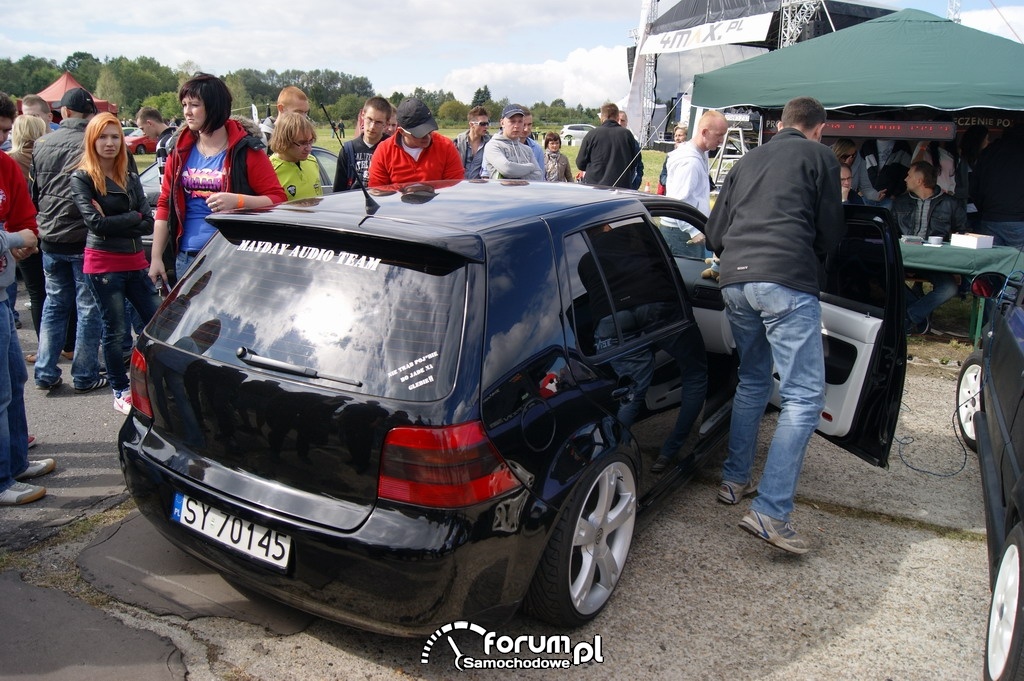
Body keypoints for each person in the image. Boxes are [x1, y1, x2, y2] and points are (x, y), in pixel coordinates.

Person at [704, 96, 844, 555]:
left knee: (753, 379)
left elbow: (714, 234)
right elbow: (830, 232)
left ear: (780, 123)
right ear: (818, 129)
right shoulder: (820, 156)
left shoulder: (747, 159)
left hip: (733, 283)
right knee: (805, 397)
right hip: (786, 280)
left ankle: (733, 480)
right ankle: (771, 511)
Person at [148, 73, 287, 290]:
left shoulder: (247, 150)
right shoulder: (179, 150)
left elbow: (278, 199)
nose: (187, 111)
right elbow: (165, 203)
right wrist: (156, 257)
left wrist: (239, 201)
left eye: (194, 104)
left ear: (214, 107)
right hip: (187, 257)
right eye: (184, 104)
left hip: (231, 257)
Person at [69, 113, 160, 414]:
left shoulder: (130, 176)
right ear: (92, 140)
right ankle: (120, 389)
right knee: (116, 331)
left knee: (156, 324)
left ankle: (154, 381)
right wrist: (131, 217)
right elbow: (95, 224)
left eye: (115, 136)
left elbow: (147, 222)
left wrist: (122, 219)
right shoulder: (82, 177)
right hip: (104, 266)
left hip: (135, 262)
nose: (109, 143)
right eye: (103, 137)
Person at [30, 87, 109, 394]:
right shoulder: (92, 143)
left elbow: (36, 192)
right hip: (82, 237)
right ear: (89, 114)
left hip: (50, 235)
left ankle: (45, 370)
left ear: (63, 113)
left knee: (55, 304)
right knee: (87, 306)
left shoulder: (42, 143)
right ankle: (85, 373)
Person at [0, 111, 51, 505]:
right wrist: (14, 236)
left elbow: (26, 220)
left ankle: (15, 462)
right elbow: (18, 232)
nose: (3, 140)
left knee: (14, 381)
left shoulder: (4, 166)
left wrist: (22, 235)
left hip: (3, 293)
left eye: (5, 131)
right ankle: (3, 478)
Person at [892, 161, 966, 334]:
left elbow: (962, 233)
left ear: (920, 180)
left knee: (949, 288)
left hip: (935, 261)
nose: (905, 178)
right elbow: (892, 232)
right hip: (905, 258)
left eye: (909, 175)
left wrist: (957, 267)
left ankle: (910, 317)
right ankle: (919, 312)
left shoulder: (950, 203)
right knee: (882, 275)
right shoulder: (901, 202)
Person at [6, 115, 47, 335]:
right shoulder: (47, 156)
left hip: (21, 231)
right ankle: (66, 346)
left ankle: (45, 347)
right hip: (48, 228)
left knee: (36, 291)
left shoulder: (9, 161)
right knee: (58, 292)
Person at [367, 97, 463, 187]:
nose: (427, 136)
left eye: (429, 130)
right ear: (402, 131)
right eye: (419, 133)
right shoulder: (384, 151)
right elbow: (378, 192)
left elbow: (454, 190)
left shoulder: (446, 147)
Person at [972, 126, 1024, 250]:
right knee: (1020, 265)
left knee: (993, 263)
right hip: (1019, 220)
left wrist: (984, 209)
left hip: (990, 218)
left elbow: (974, 185)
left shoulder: (989, 151)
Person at [576, 102, 643, 189]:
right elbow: (634, 163)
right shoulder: (627, 135)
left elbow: (580, 163)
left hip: (594, 187)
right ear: (617, 117)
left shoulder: (592, 134)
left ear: (602, 117)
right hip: (620, 188)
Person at [333, 97, 392, 191]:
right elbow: (338, 191)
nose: (372, 127)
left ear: (387, 123)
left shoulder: (392, 149)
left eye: (378, 122)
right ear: (362, 116)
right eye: (369, 119)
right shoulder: (347, 150)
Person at [482, 104, 543, 181]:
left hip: (525, 192)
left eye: (520, 121)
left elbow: (538, 176)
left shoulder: (527, 150)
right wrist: (531, 167)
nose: (516, 126)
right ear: (502, 123)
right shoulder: (493, 146)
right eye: (512, 121)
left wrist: (513, 176)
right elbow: (507, 169)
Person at [269, 112, 322, 200]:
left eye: (311, 141)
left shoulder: (312, 161)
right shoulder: (270, 170)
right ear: (285, 141)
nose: (309, 148)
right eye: (302, 143)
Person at [855, 137, 911, 208]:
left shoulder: (902, 145)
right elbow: (859, 168)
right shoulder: (867, 145)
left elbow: (906, 172)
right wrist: (859, 191)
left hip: (889, 199)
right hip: (866, 197)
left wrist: (895, 194)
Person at [134, 106, 175, 178]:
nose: (143, 133)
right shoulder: (178, 136)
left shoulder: (162, 145)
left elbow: (164, 178)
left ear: (149, 123)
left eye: (142, 128)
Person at [453, 106, 491, 179]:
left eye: (487, 123)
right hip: (460, 186)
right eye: (482, 124)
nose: (486, 127)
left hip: (480, 187)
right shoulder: (457, 143)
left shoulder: (490, 143)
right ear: (471, 124)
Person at [657, 124, 688, 194]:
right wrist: (669, 183)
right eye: (675, 136)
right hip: (670, 193)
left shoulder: (690, 156)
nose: (677, 138)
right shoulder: (670, 156)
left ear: (686, 137)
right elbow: (663, 175)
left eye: (680, 135)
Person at [521, 109, 546, 176]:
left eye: (529, 124)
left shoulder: (537, 149)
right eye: (523, 124)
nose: (526, 129)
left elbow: (541, 176)